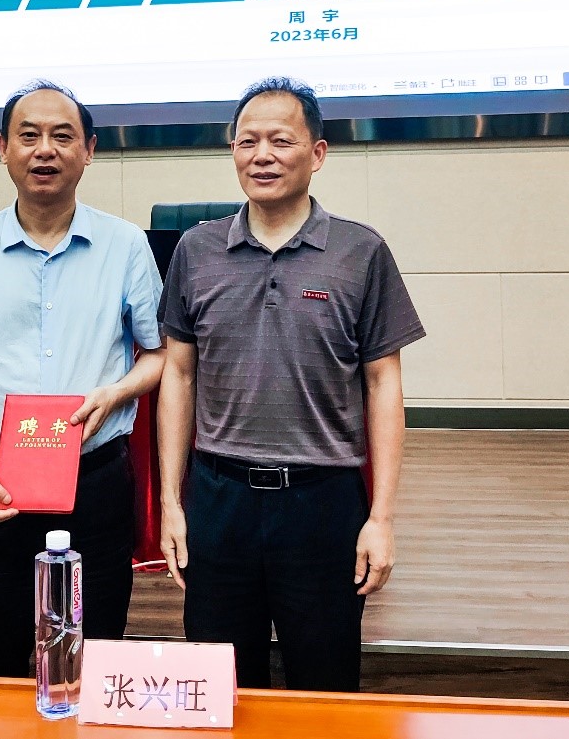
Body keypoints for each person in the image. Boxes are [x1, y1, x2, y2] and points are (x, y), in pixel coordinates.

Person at [157, 77, 425, 692]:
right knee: (219, 686)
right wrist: (172, 503)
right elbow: (178, 372)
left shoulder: (361, 252)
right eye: (247, 141)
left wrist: (381, 517)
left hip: (323, 503)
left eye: (281, 141)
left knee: (325, 684)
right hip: (219, 499)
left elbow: (384, 384)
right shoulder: (197, 250)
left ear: (318, 153)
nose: (262, 156)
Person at [0, 80, 165, 677]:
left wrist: (116, 392)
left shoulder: (124, 245)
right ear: (3, 148)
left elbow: (158, 355)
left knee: (92, 663)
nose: (45, 149)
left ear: (89, 150)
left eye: (63, 136)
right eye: (29, 135)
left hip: (94, 485)